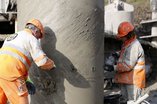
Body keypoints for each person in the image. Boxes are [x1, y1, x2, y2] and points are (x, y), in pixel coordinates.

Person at [0, 18, 56, 104]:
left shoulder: (14, 35)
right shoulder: (31, 38)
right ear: (36, 31)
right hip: (12, 74)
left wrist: (25, 80)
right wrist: (52, 66)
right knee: (21, 100)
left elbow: (15, 58)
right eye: (39, 36)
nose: (38, 39)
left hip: (2, 71)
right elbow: (42, 61)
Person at [114, 21, 146, 103]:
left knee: (133, 102)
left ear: (128, 35)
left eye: (122, 36)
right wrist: (117, 54)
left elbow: (128, 65)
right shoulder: (127, 44)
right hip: (127, 79)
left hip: (134, 81)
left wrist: (114, 67)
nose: (121, 38)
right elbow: (126, 55)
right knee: (125, 100)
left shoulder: (135, 46)